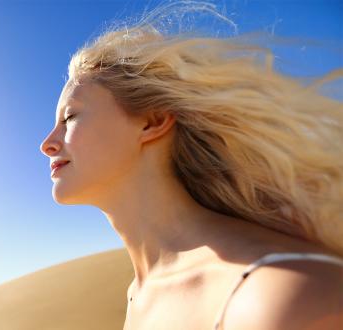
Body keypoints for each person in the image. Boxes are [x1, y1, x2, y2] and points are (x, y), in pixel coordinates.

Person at [39, 6, 343, 330]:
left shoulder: (274, 296)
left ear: (152, 122)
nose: (47, 144)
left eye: (70, 118)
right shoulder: (139, 293)